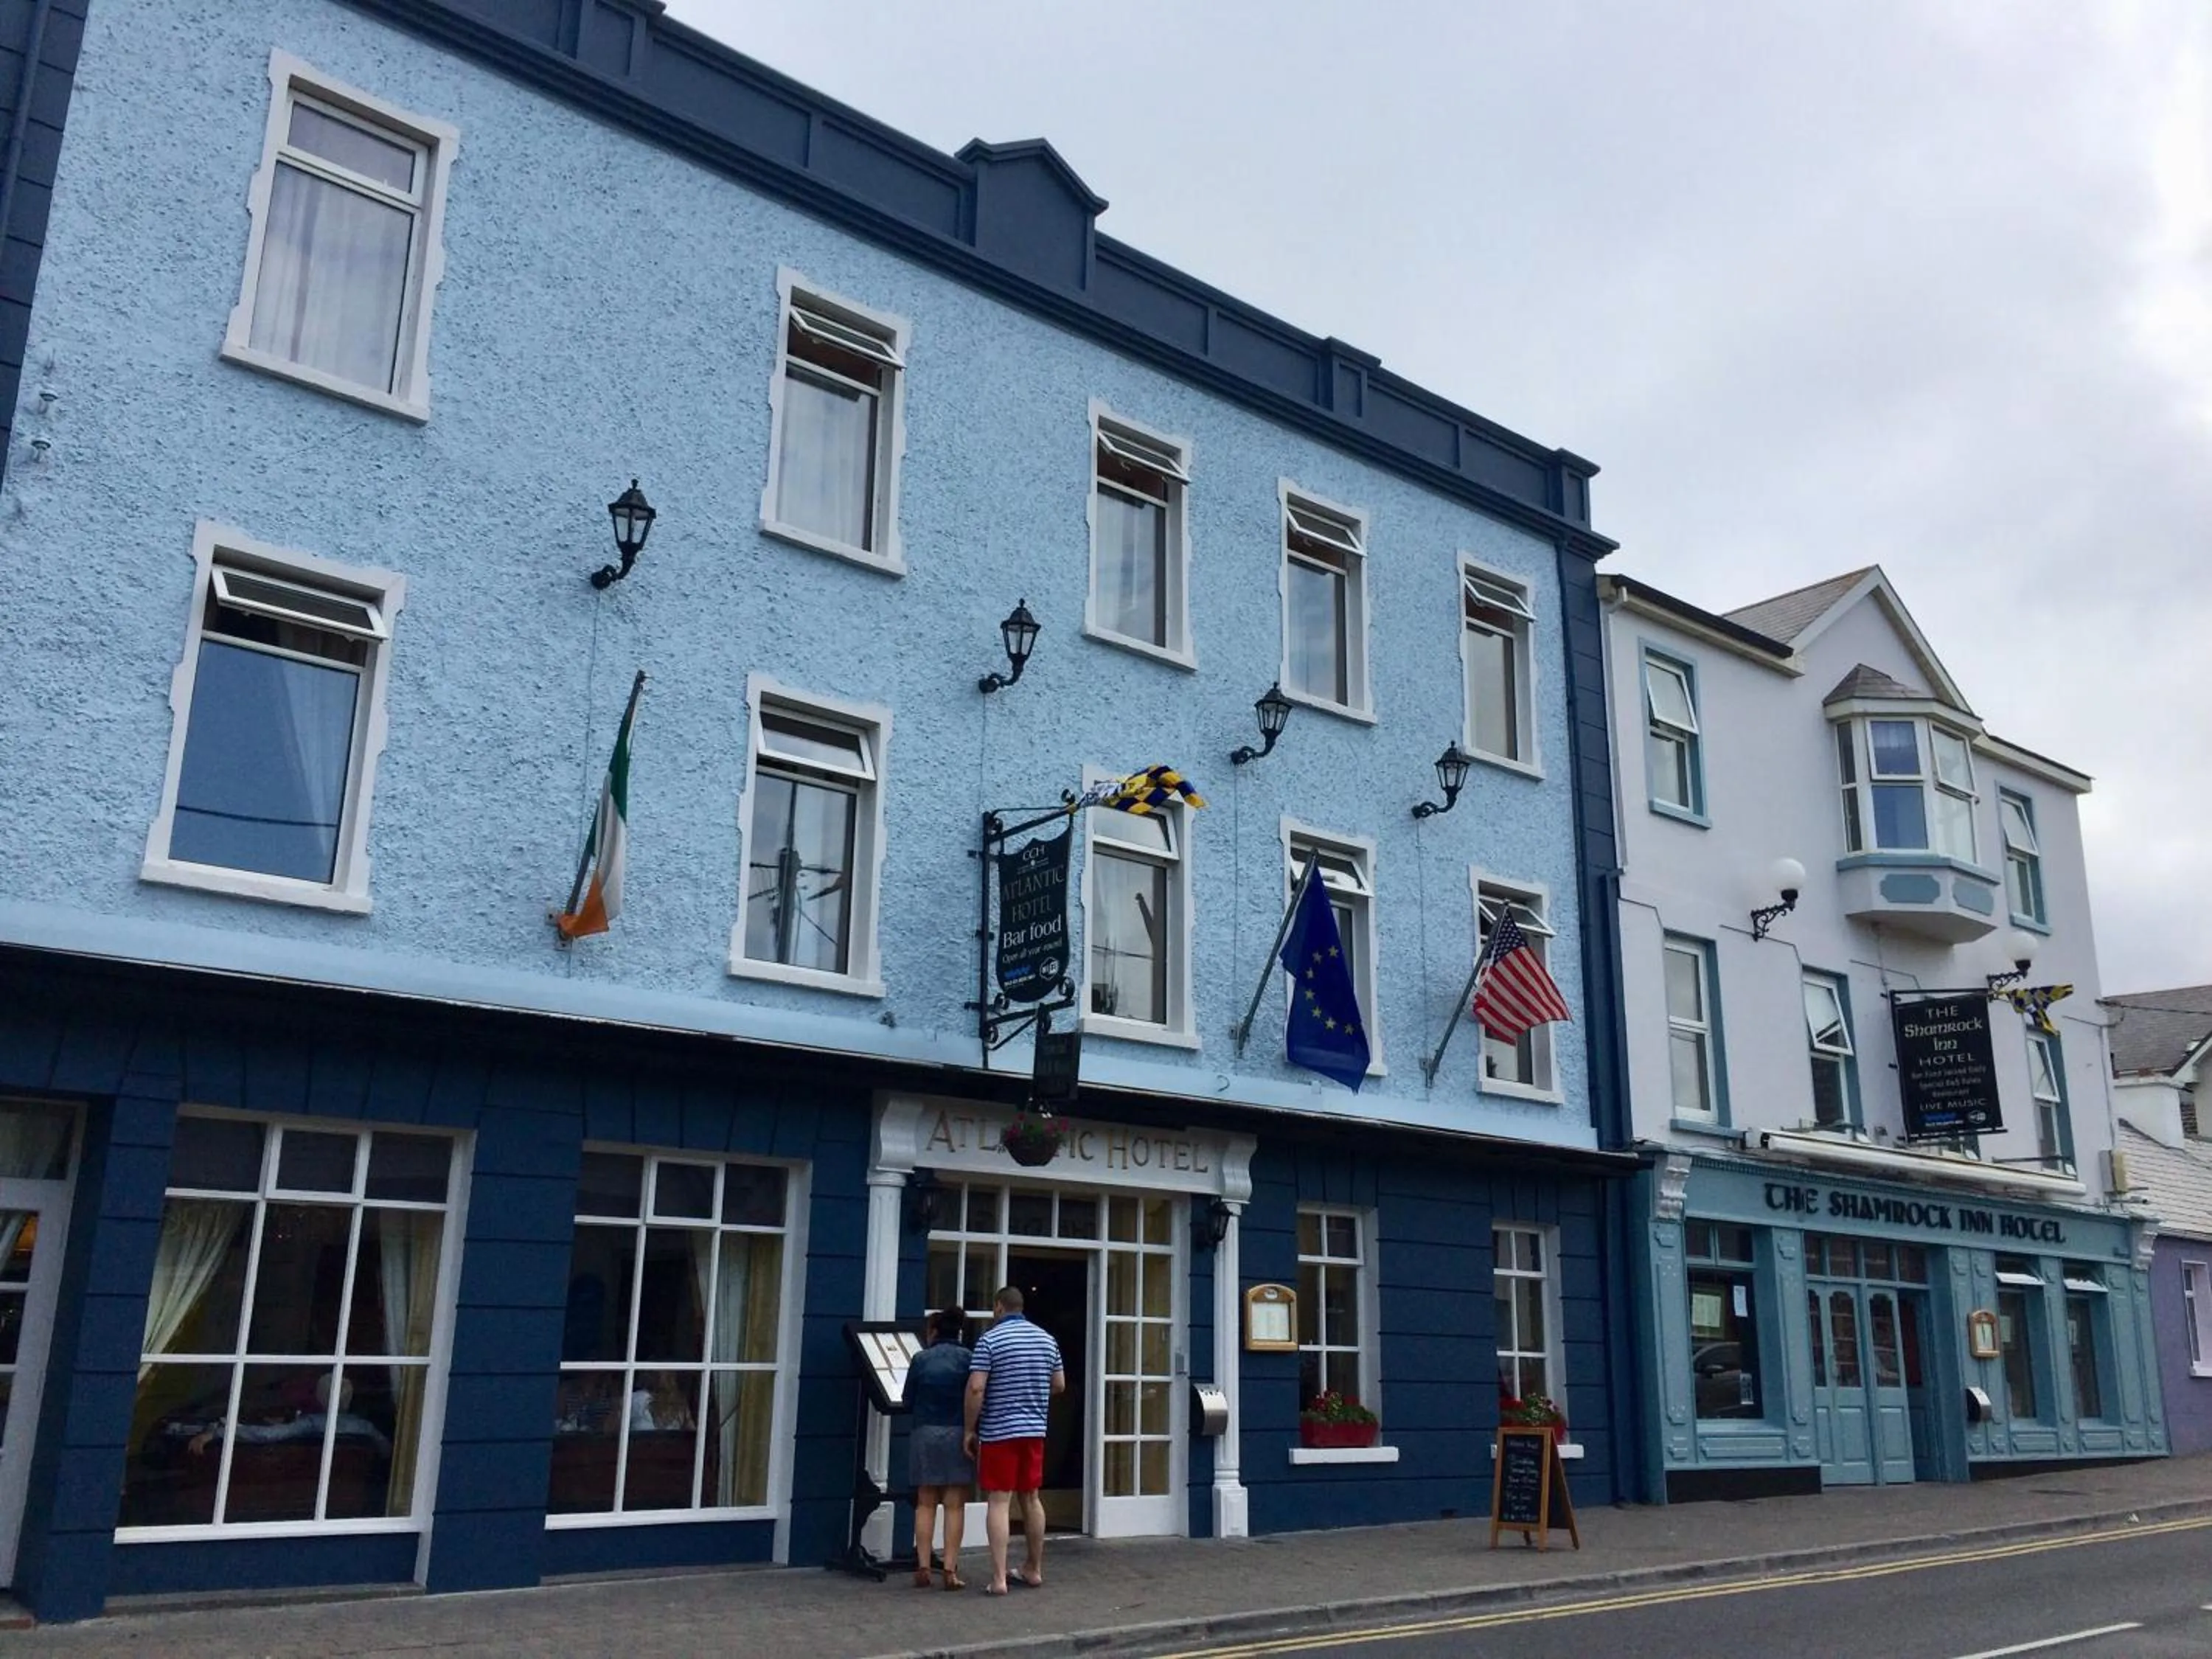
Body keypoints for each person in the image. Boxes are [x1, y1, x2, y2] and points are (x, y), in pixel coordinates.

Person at [963, 1284, 1065, 1596]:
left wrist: (969, 1428)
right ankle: (1033, 1568)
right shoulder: (1047, 1340)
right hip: (1034, 1431)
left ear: (998, 1307)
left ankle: (999, 1578)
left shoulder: (990, 1340)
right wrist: (1030, 1396)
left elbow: (977, 1388)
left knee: (999, 1500)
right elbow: (1059, 1385)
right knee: (1031, 1498)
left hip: (999, 1432)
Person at [902, 1307, 975, 1590]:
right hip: (957, 1432)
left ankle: (922, 1564)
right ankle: (949, 1569)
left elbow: (908, 1398)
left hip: (924, 1432)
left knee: (925, 1502)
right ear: (958, 1331)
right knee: (955, 1505)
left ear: (934, 1331)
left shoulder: (921, 1359)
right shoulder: (968, 1359)